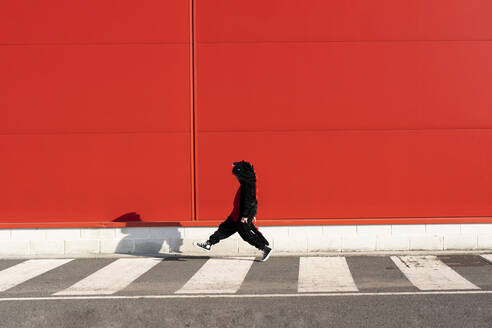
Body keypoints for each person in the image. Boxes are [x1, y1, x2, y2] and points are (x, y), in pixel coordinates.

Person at [193, 161, 272, 262]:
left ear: (242, 174)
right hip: (236, 214)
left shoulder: (249, 185)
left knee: (247, 235)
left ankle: (265, 249)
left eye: (237, 175)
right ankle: (208, 244)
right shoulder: (246, 183)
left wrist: (247, 215)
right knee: (223, 229)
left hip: (241, 216)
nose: (237, 178)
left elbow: (251, 200)